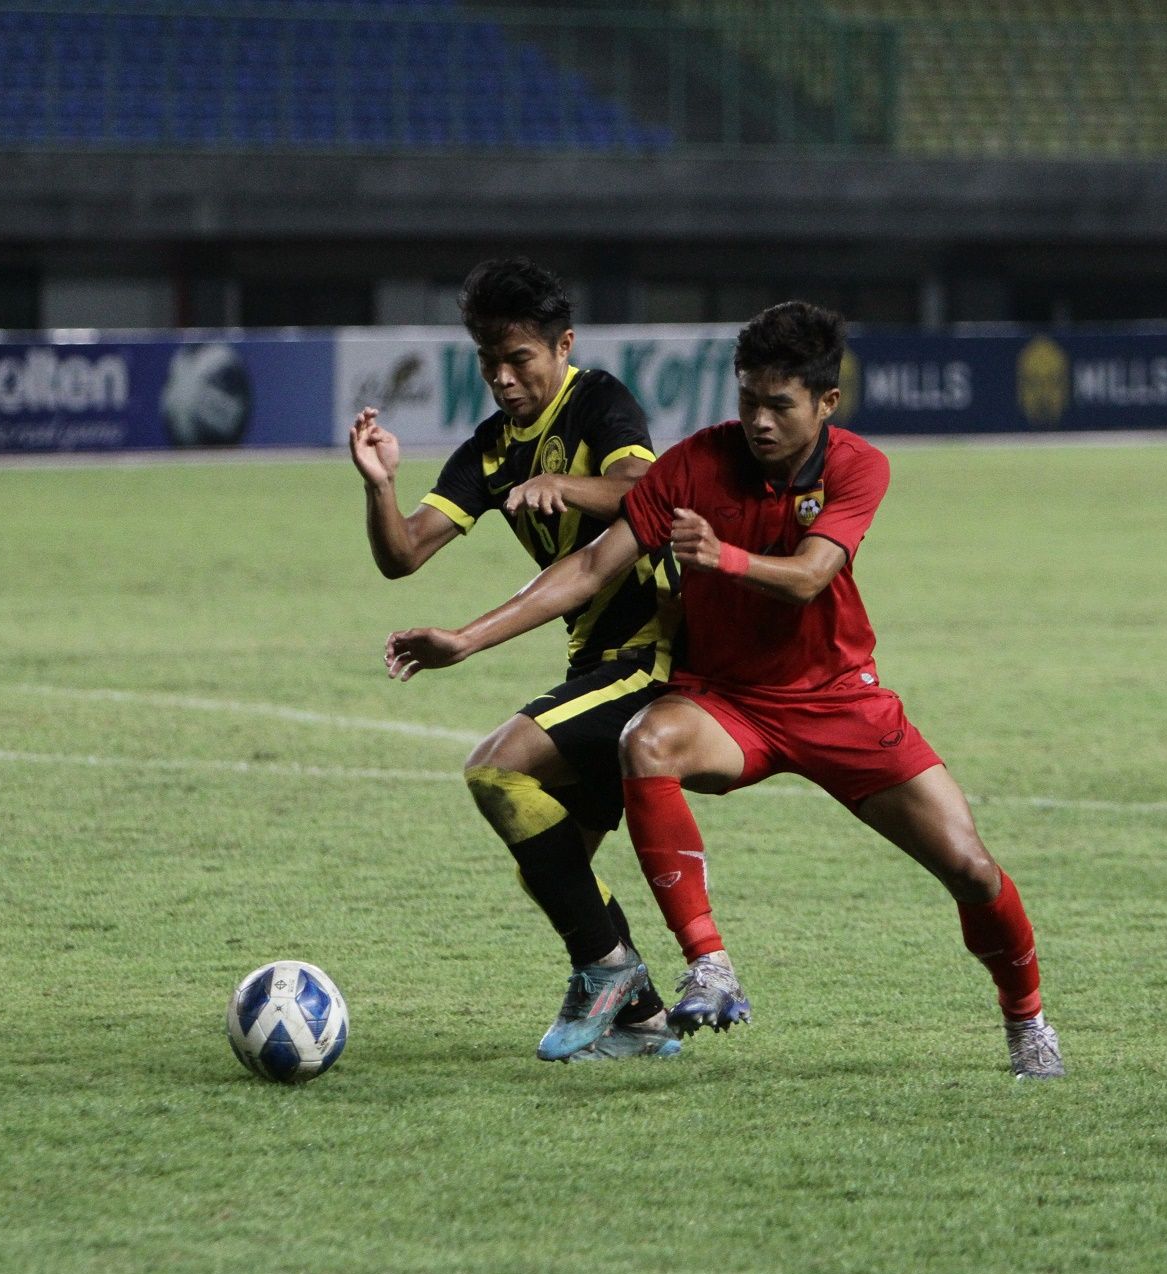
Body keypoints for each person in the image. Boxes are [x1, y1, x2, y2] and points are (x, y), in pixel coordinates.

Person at [385, 301, 1065, 1081]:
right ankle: (708, 964)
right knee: (646, 740)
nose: (761, 422)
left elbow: (812, 575)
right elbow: (590, 568)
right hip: (728, 702)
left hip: (838, 701)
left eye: (780, 405)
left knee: (971, 868)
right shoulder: (694, 464)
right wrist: (465, 640)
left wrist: (721, 557)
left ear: (826, 403)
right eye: (748, 400)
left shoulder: (857, 466)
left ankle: (1028, 1021)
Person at [352, 256, 681, 1061]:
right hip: (592, 666)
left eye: (519, 360)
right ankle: (642, 1021)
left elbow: (648, 492)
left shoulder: (600, 402)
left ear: (562, 346)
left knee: (497, 770)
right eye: (488, 363)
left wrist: (566, 485)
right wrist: (379, 486)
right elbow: (403, 557)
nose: (502, 379)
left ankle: (606, 969)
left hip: (654, 655)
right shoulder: (490, 450)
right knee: (552, 866)